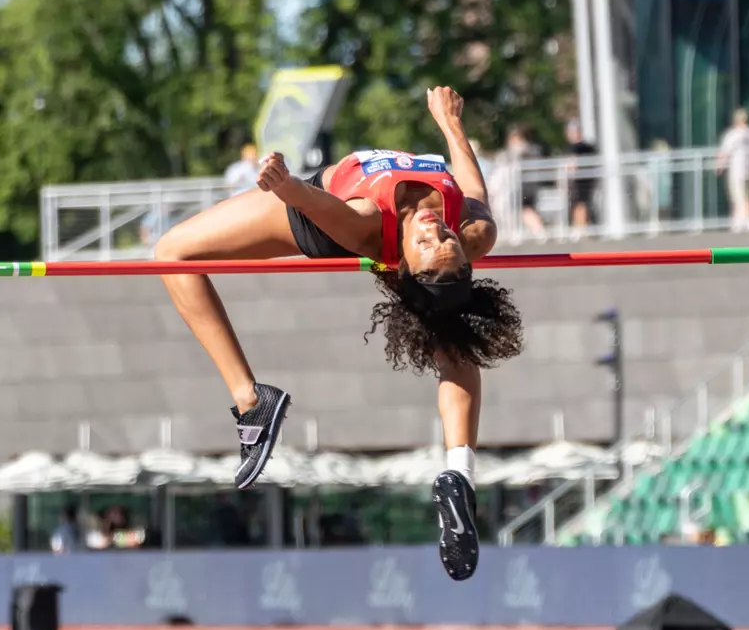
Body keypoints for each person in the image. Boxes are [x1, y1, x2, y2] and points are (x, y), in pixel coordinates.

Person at [155, 87, 523, 582]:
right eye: (448, 241)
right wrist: (450, 123)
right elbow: (474, 189)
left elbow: (325, 209)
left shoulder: (370, 228)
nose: (438, 230)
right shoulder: (475, 232)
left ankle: (250, 400)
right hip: (325, 203)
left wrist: (283, 184)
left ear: (403, 264)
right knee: (450, 323)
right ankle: (459, 470)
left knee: (170, 252)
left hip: (318, 211)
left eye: (428, 243)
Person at [716, 108, 749, 232]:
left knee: (740, 196)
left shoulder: (732, 134)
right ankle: (737, 220)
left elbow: (724, 152)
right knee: (740, 196)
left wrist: (720, 165)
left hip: (737, 170)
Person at [564, 119, 598, 230]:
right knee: (578, 205)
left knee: (580, 205)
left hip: (581, 182)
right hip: (582, 182)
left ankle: (581, 229)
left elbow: (572, 164)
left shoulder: (579, 148)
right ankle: (581, 228)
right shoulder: (587, 147)